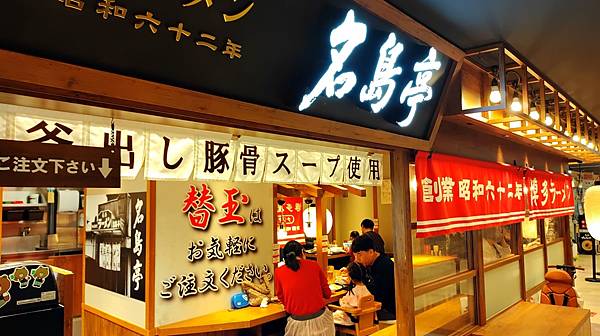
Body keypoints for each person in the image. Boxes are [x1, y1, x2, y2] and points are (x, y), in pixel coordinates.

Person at [275, 240, 335, 336]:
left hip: (296, 324)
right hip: (321, 323)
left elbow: (281, 296)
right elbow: (327, 294)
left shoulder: (279, 272)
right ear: (302, 252)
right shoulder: (314, 265)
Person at [351, 235, 396, 321]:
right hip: (378, 307)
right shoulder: (369, 264)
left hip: (388, 311)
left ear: (371, 252)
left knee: (351, 315)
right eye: (355, 256)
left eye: (359, 255)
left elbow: (377, 295)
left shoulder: (384, 266)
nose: (356, 259)